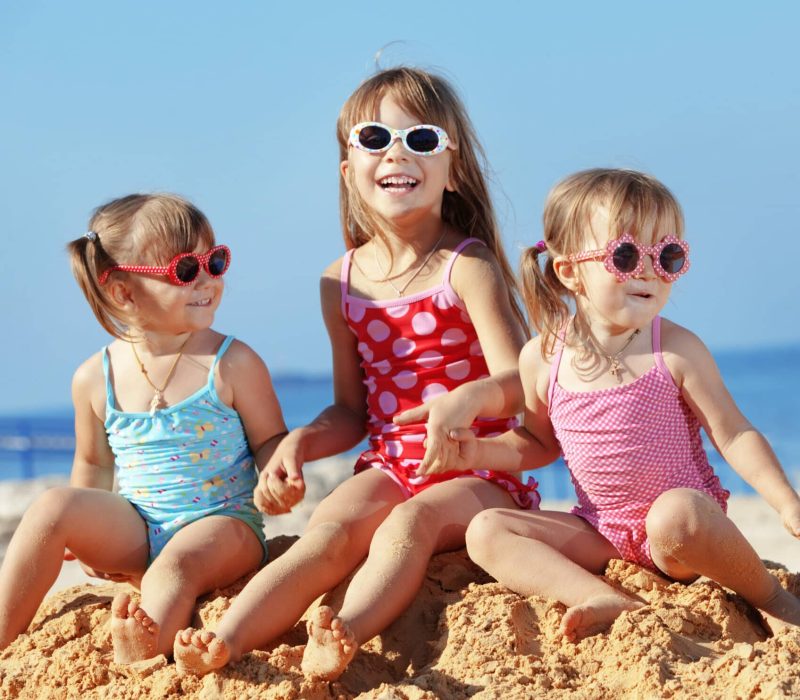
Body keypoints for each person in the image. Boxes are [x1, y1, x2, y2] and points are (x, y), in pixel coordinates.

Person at [173, 67, 538, 681]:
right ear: (349, 171)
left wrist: (466, 401)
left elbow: (521, 382)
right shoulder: (338, 282)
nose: (397, 152)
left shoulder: (465, 266)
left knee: (411, 522)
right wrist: (300, 443)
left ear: (453, 169)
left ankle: (348, 630)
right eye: (375, 138)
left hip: (477, 466)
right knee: (329, 532)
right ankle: (225, 638)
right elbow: (353, 411)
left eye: (422, 139)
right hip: (393, 463)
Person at [448, 168, 800, 641]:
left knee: (676, 515)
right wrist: (480, 453)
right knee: (486, 531)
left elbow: (733, 434)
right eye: (627, 255)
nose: (651, 270)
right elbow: (537, 442)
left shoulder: (674, 349)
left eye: (668, 256)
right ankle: (605, 597)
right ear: (569, 271)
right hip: (601, 533)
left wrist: (786, 501)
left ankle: (771, 598)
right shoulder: (543, 357)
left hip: (678, 541)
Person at [0, 194, 288, 663]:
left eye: (215, 262)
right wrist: (85, 533)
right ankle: (4, 634)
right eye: (186, 271)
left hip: (223, 526)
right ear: (123, 292)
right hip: (139, 525)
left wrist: (279, 472)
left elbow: (270, 440)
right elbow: (93, 463)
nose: (209, 281)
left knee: (176, 566)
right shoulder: (96, 377)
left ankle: (146, 654)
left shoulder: (231, 362)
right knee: (52, 507)